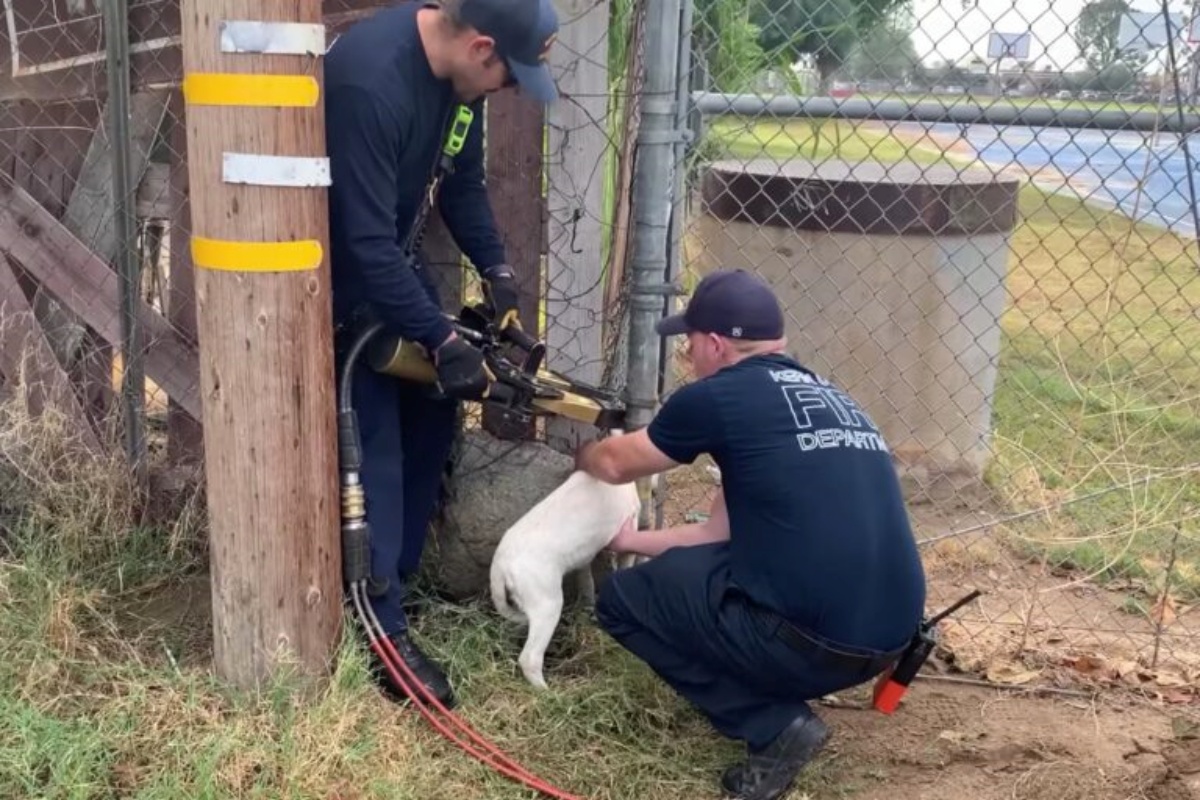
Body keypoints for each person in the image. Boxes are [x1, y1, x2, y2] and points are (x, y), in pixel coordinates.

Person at [573, 268, 928, 800]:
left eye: (690, 343)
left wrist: (578, 454)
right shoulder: (833, 397)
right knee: (671, 577)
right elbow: (720, 532)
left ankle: (773, 724)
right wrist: (629, 543)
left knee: (623, 601)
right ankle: (778, 683)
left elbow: (618, 464)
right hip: (889, 641)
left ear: (715, 344)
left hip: (813, 646)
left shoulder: (720, 397)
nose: (688, 356)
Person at [323, 0, 560, 708]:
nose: (507, 91)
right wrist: (441, 337)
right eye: (509, 77)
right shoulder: (370, 83)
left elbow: (459, 182)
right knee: (379, 443)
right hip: (344, 278)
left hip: (393, 264)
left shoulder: (462, 87)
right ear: (481, 46)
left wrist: (498, 271)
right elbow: (360, 245)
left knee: (435, 411)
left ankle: (398, 580)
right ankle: (379, 627)